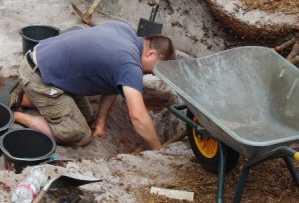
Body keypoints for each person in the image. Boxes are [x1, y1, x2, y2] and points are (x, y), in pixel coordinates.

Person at [10, 21, 175, 149]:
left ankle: (24, 98)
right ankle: (15, 116)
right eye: (155, 69)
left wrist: (101, 123)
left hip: (45, 61)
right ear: (151, 53)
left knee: (88, 117)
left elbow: (112, 86)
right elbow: (138, 116)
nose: (152, 74)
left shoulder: (126, 31)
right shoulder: (130, 64)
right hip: (40, 75)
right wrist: (157, 149)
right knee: (79, 135)